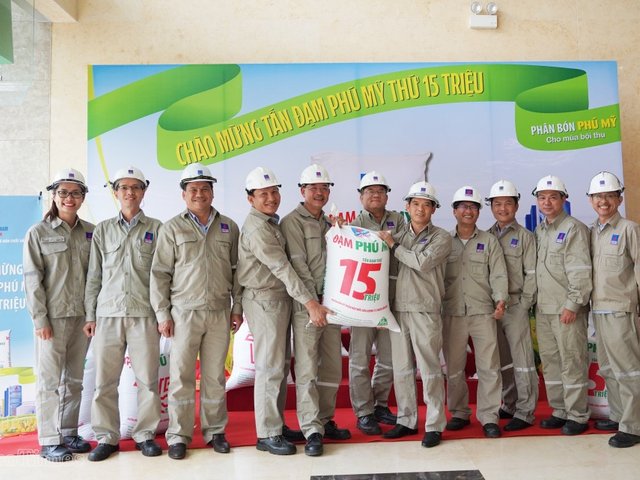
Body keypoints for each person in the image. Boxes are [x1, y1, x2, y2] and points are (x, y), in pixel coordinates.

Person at [150, 162, 242, 460]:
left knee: (215, 376)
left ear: (212, 192)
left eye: (205, 188)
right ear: (184, 194)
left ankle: (215, 431)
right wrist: (163, 314)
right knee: (181, 377)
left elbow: (238, 272)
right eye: (193, 189)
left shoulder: (229, 227)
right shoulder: (171, 228)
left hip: (219, 312)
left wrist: (237, 308)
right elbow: (160, 274)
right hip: (184, 314)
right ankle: (179, 435)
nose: (199, 194)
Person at [237, 166, 331, 456]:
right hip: (265, 300)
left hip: (279, 300)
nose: (271, 198)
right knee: (270, 367)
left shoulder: (270, 223)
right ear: (250, 198)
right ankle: (267, 433)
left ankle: (275, 425)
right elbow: (282, 267)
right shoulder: (257, 228)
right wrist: (310, 302)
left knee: (279, 365)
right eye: (263, 194)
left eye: (274, 192)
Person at [83, 166, 163, 461]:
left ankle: (145, 435)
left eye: (136, 187)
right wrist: (90, 315)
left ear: (144, 191)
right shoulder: (103, 230)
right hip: (108, 315)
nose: (130, 192)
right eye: (124, 187)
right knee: (104, 382)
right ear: (115, 192)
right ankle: (107, 437)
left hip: (144, 315)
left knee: (148, 381)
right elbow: (94, 276)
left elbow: (163, 276)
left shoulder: (157, 228)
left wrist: (163, 314)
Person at [23, 168, 94, 462]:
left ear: (83, 197)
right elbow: (32, 280)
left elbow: (95, 278)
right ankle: (49, 440)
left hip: (81, 320)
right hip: (51, 321)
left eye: (75, 193)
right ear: (54, 195)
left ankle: (68, 432)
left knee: (74, 380)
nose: (69, 198)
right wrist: (40, 319)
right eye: (63, 192)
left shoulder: (91, 232)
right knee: (50, 381)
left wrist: (91, 316)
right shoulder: (38, 233)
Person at [280, 163, 351, 457]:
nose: (319, 192)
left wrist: (343, 232)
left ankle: (325, 419)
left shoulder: (329, 223)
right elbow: (298, 266)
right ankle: (311, 430)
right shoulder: (292, 222)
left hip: (332, 305)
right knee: (307, 369)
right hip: (308, 307)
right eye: (313, 188)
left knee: (332, 367)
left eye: (324, 188)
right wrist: (313, 304)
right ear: (302, 191)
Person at [378, 181, 451, 448]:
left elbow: (422, 262)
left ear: (433, 209)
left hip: (425, 309)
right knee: (401, 369)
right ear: (407, 207)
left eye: (426, 205)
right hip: (399, 310)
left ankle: (434, 424)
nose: (420, 209)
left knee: (429, 369)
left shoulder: (441, 238)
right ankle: (406, 420)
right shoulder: (396, 235)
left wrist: (394, 246)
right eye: (415, 204)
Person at [442, 185, 508, 438]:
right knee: (454, 367)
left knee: (489, 367)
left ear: (479, 212)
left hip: (483, 313)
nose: (468, 211)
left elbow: (498, 274)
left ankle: (489, 416)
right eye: (463, 206)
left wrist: (500, 299)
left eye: (473, 207)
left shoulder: (489, 241)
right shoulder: (444, 241)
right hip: (452, 313)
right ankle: (459, 412)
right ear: (454, 211)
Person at [533, 175, 592, 435]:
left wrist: (573, 305)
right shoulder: (540, 230)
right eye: (542, 197)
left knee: (572, 361)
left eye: (553, 197)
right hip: (544, 309)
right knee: (551, 362)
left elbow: (580, 271)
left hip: (566, 310)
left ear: (563, 199)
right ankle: (560, 410)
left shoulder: (574, 229)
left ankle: (577, 415)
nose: (547, 202)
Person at [348, 171, 405, 435]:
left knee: (388, 358)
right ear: (361, 196)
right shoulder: (353, 225)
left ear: (387, 195)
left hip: (392, 300)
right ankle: (364, 412)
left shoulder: (399, 220)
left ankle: (380, 405)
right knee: (359, 360)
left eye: (380, 191)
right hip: (362, 303)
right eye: (370, 191)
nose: (375, 195)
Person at [587, 171, 640, 448]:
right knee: (608, 369)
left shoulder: (630, 229)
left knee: (628, 370)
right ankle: (620, 416)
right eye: (598, 196)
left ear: (619, 199)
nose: (603, 201)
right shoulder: (591, 232)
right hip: (599, 310)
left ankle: (634, 426)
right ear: (590, 200)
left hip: (622, 310)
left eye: (609, 195)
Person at [486, 180, 539, 431]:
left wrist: (523, 305)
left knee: (522, 360)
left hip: (515, 305)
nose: (502, 208)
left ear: (516, 206)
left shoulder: (525, 237)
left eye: (508, 203)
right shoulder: (485, 236)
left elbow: (532, 275)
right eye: (497, 204)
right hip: (491, 308)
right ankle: (509, 403)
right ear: (491, 207)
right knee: (503, 360)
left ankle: (525, 411)